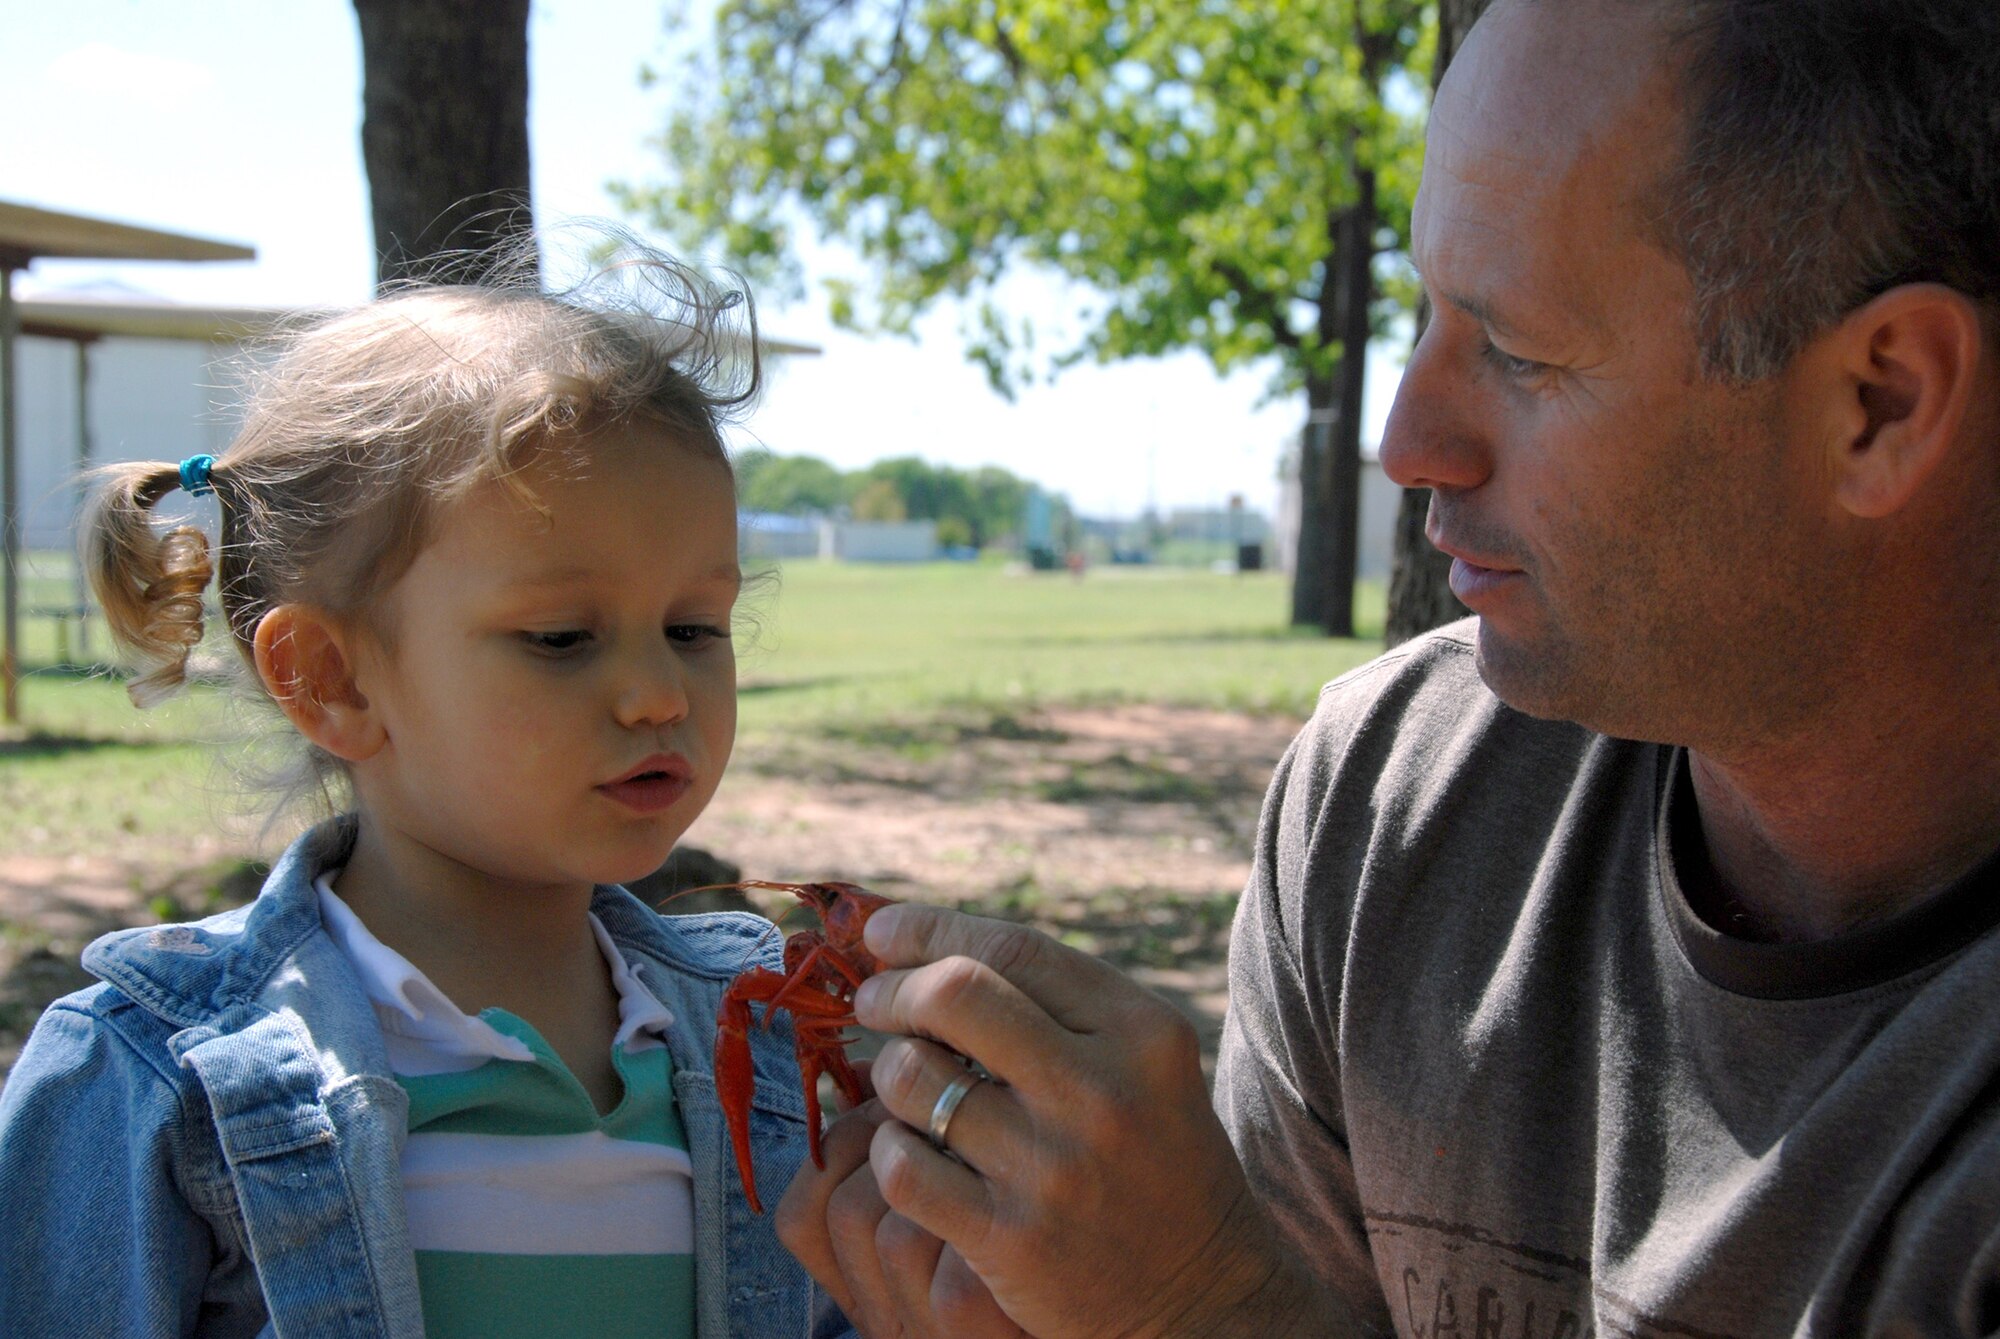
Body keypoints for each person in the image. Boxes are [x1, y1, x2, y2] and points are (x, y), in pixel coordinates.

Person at [771, 0, 2000, 1333]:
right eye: (1425, 311)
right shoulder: (1395, 803)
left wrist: (1200, 1305)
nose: (1407, 437)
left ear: (1878, 400)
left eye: (1519, 349)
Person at [0, 250, 852, 1339]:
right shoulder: (150, 1079)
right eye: (560, 638)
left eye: (694, 628)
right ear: (330, 680)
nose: (655, 694)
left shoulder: (762, 1036)